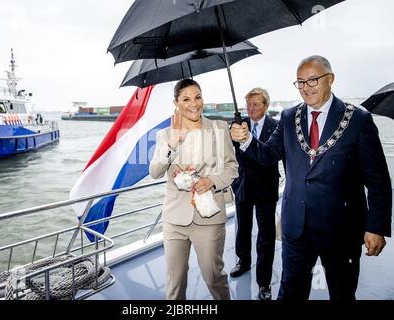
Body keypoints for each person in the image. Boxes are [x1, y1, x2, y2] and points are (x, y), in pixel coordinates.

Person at [230, 55, 392, 300]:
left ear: (331, 79)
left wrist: (376, 227)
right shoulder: (287, 117)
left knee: (343, 294)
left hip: (342, 230)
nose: (306, 87)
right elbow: (268, 154)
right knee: (290, 293)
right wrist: (246, 140)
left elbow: (378, 179)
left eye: (312, 80)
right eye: (300, 82)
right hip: (297, 228)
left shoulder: (358, 120)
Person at [150, 79, 238, 300]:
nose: (194, 103)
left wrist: (212, 180)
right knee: (174, 282)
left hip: (209, 218)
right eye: (186, 99)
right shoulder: (164, 135)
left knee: (214, 277)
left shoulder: (219, 128)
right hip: (175, 219)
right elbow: (155, 172)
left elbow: (232, 167)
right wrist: (172, 143)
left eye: (197, 97)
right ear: (176, 103)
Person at [229, 88, 280, 301]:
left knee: (266, 237)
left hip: (267, 189)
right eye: (248, 105)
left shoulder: (276, 127)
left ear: (266, 106)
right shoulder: (239, 125)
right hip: (243, 186)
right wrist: (234, 133)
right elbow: (230, 149)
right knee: (243, 229)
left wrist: (249, 139)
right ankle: (243, 261)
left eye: (256, 105)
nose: (251, 109)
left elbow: (270, 155)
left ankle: (264, 282)